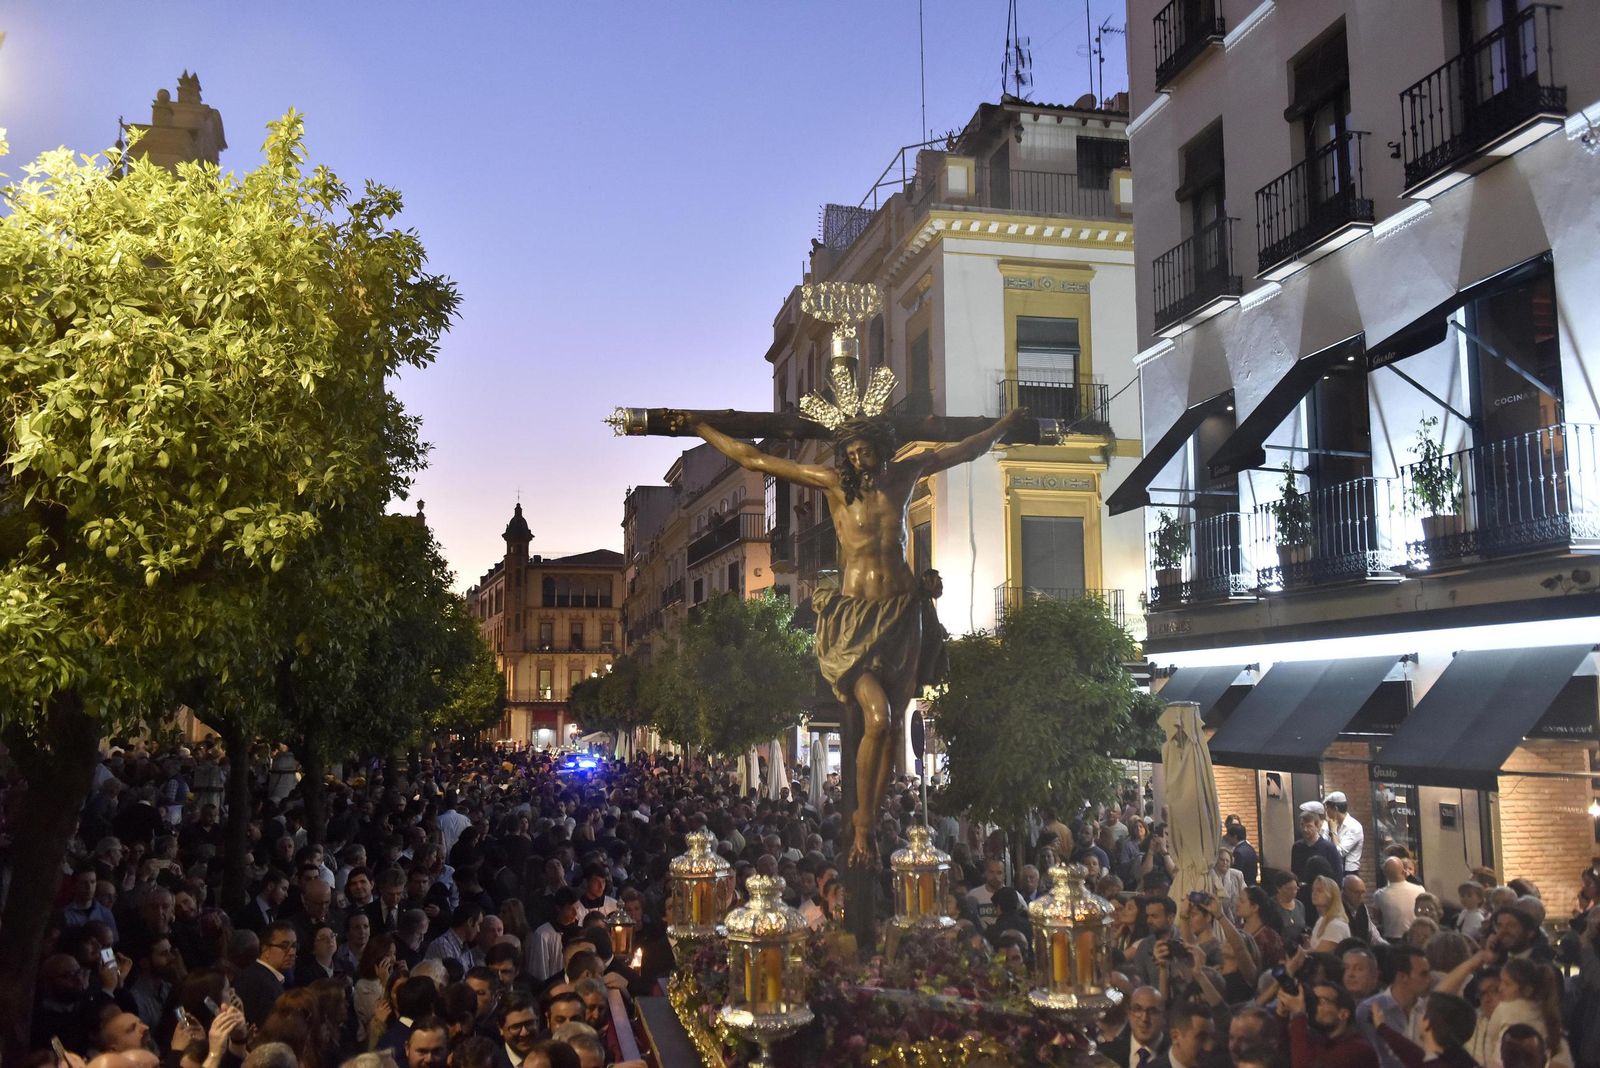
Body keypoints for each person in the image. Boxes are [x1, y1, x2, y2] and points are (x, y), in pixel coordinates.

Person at [693, 406, 1027, 864]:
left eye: (864, 451)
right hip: (855, 617)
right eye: (850, 454)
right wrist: (699, 427)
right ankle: (863, 825)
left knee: (894, 725)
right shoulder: (833, 484)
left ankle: (871, 815)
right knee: (879, 719)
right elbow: (756, 460)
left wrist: (1004, 426)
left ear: (882, 449)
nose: (857, 460)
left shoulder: (907, 473)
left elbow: (966, 450)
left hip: (903, 613)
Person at [1357, 945, 1433, 1068]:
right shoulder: (1369, 1010)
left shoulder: (1430, 1011)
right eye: (1423, 974)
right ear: (1403, 977)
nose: (1429, 979)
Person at [1278, 979, 1379, 1068]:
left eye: (1321, 1001)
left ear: (1343, 1014)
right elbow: (1280, 1059)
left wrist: (1299, 1014)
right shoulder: (1317, 1042)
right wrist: (1282, 1017)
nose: (1313, 1006)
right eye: (1312, 1000)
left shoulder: (1358, 1050)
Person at [235, 921, 295, 1026]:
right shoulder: (263, 985)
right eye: (284, 946)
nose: (292, 952)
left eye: (294, 946)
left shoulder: (258, 975)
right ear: (265, 949)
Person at [1100, 985, 1167, 1068]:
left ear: (1164, 1016)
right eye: (1138, 1009)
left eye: (1152, 1011)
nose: (1144, 1018)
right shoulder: (1106, 1054)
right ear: (1129, 1014)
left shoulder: (1177, 1056)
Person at [1373, 859, 1427, 942]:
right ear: (1403, 871)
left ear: (1385, 874)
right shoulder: (1420, 890)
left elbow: (1377, 918)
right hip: (1415, 937)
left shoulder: (1379, 895)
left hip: (1391, 939)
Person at [1324, 793, 1364, 878]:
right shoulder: (1331, 824)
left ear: (1335, 809)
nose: (1326, 812)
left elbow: (1338, 853)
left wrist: (1333, 832)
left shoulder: (1354, 826)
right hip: (1333, 870)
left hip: (1348, 873)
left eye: (1327, 809)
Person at [1309, 876, 1353, 953]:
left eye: (1320, 891)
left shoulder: (1336, 924)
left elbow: (1319, 955)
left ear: (1332, 895)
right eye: (1313, 890)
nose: (1314, 893)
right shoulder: (1321, 920)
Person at [1225, 820, 1260, 888]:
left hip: (1244, 887)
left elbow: (1235, 873)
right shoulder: (1249, 848)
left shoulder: (1238, 852)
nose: (1227, 838)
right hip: (1252, 884)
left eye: (1228, 836)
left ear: (1235, 836)